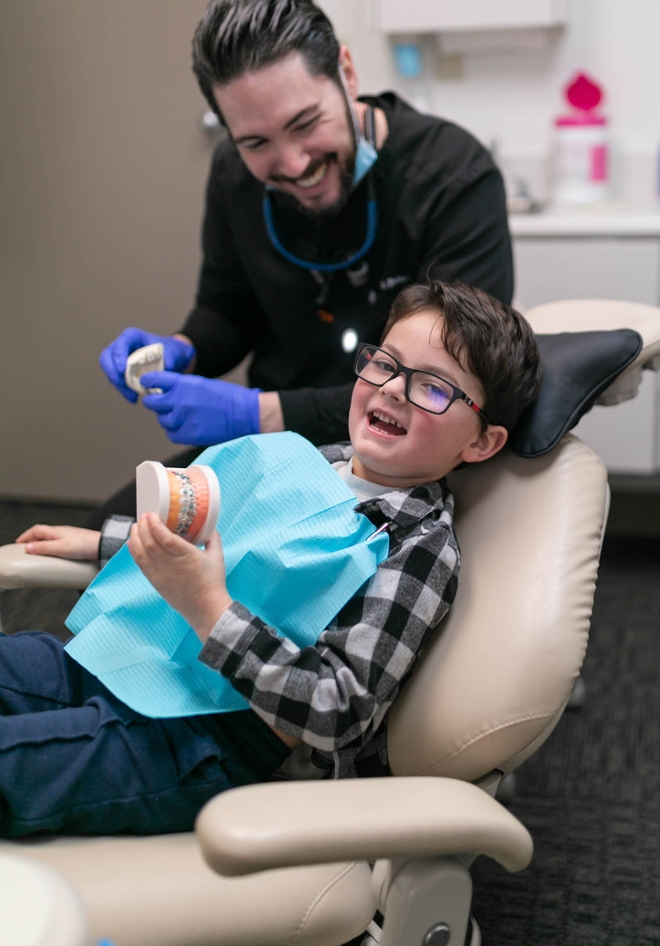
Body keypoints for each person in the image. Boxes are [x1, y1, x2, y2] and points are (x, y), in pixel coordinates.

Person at [3, 282, 541, 837]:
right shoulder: (314, 459)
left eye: (433, 388)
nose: (394, 390)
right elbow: (227, 545)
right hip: (145, 658)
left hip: (209, 738)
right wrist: (102, 543)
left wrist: (210, 609)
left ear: (481, 443)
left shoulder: (419, 549)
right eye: (385, 364)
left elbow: (337, 711)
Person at [89, 0, 513, 527]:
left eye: (305, 124)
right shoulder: (232, 178)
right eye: (256, 143)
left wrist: (255, 412)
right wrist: (183, 348)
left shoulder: (453, 178)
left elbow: (453, 384)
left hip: (396, 466)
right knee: (108, 537)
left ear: (347, 73)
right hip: (272, 452)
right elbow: (226, 310)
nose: (291, 164)